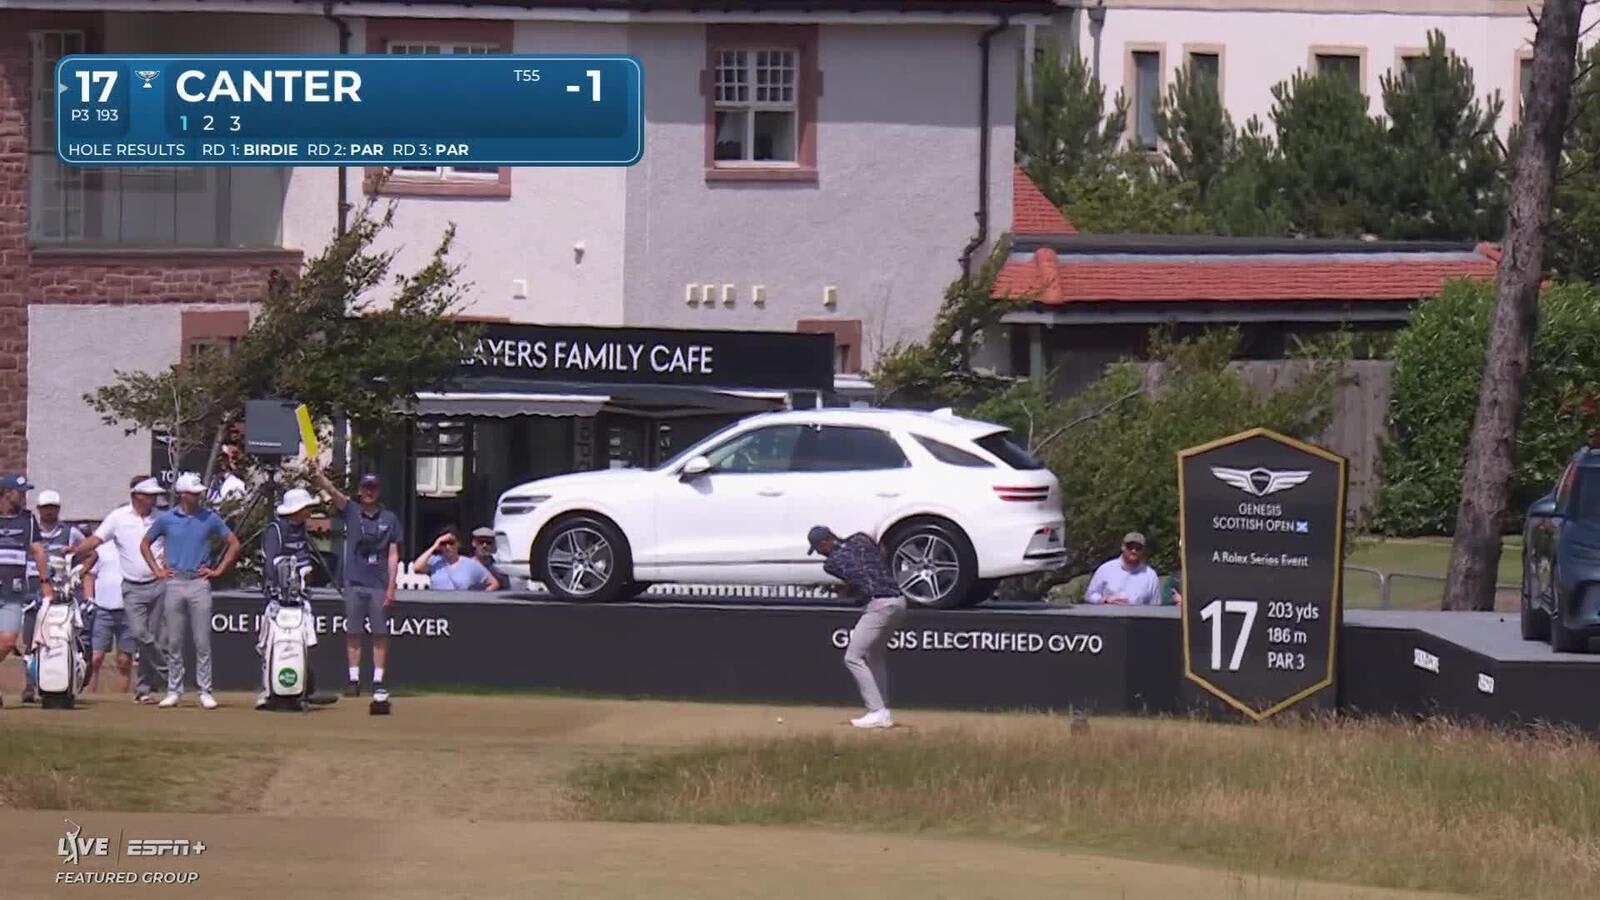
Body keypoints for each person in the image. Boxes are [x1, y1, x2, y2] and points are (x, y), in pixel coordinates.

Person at [141, 472, 241, 710]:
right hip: (175, 582)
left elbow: (234, 544)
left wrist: (217, 571)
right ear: (183, 494)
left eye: (199, 493)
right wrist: (157, 570)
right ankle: (174, 690)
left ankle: (204, 690)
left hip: (199, 582)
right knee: (174, 640)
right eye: (194, 493)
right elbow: (145, 543)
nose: (198, 497)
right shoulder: (167, 519)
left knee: (202, 640)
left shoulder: (210, 518)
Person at [76, 477, 169, 703]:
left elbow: (173, 543)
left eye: (155, 495)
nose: (154, 499)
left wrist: (168, 562)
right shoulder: (118, 517)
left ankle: (143, 690)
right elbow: (97, 539)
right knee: (141, 634)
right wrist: (74, 551)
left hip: (158, 585)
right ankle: (170, 673)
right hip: (132, 586)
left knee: (152, 637)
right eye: (149, 495)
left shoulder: (162, 518)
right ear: (137, 495)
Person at [311, 469, 400, 704]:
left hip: (379, 583)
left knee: (380, 633)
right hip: (354, 581)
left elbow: (393, 555)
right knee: (353, 632)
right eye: (365, 488)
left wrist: (392, 587)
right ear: (360, 490)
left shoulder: (389, 519)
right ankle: (353, 679)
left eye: (372, 488)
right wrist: (318, 476)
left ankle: (378, 680)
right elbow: (332, 492)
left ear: (378, 491)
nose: (368, 492)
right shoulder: (352, 510)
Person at [807, 525, 907, 729]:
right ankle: (883, 710)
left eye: (818, 548)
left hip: (880, 604)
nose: (818, 553)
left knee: (853, 657)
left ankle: (876, 711)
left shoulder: (831, 564)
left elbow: (855, 581)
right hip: (899, 601)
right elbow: (880, 549)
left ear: (826, 542)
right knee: (874, 655)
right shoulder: (860, 539)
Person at [256, 487, 332, 709]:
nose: (309, 512)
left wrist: (305, 578)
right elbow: (271, 563)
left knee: (303, 642)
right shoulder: (276, 530)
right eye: (306, 508)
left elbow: (304, 561)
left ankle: (301, 689)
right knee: (269, 643)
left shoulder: (300, 531)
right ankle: (268, 691)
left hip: (300, 598)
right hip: (278, 600)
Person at [19, 489, 85, 704]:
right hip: (31, 593)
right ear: (39, 509)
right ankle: (30, 684)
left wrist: (78, 569)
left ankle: (60, 682)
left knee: (58, 640)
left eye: (53, 508)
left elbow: (89, 554)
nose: (49, 512)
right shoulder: (28, 531)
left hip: (58, 595)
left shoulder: (71, 532)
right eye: (45, 508)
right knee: (31, 642)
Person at [0, 474, 56, 708]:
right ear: (6, 493)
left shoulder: (28, 519)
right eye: (20, 492)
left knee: (7, 641)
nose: (24, 497)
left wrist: (45, 583)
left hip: (13, 589)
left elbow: (39, 551)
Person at [82, 528, 133, 694]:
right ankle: (91, 696)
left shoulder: (136, 548)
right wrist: (89, 599)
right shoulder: (101, 550)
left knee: (124, 661)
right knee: (95, 658)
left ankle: (121, 701)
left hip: (128, 610)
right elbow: (89, 575)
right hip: (103, 610)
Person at [1084, 532, 1162, 606]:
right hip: (1108, 616)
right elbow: (1090, 595)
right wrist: (1104, 600)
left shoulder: (1150, 576)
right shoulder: (1105, 569)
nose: (1133, 551)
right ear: (1123, 547)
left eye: (1138, 548)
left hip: (1137, 618)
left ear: (1143, 550)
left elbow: (1155, 605)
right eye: (1130, 547)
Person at [413, 529, 500, 591]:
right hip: (438, 607)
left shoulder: (471, 564)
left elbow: (493, 583)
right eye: (444, 544)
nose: (448, 547)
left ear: (458, 544)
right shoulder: (435, 561)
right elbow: (416, 567)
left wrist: (479, 600)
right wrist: (435, 545)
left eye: (451, 543)